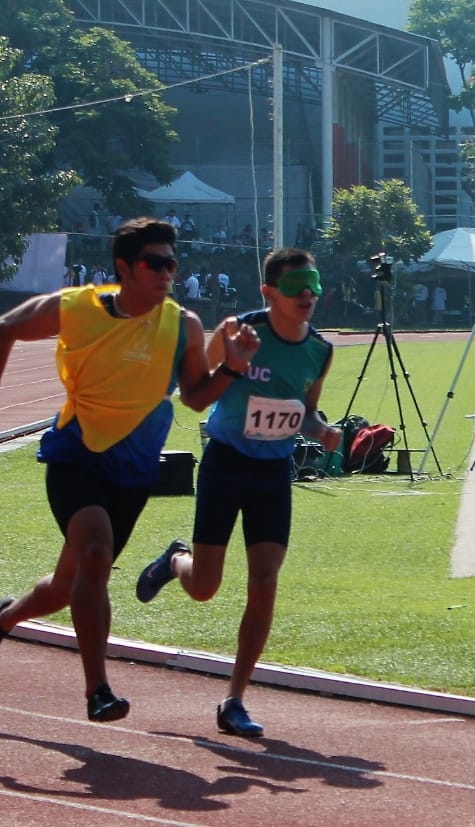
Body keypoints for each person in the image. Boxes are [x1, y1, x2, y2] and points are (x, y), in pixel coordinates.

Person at [0, 217, 260, 723]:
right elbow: (5, 327)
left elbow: (194, 398)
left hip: (133, 472)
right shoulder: (78, 308)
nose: (167, 272)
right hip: (76, 455)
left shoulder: (182, 324)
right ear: (124, 267)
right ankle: (97, 689)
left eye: (172, 263)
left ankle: (5, 619)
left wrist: (231, 366)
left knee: (67, 584)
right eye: (154, 263)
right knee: (96, 554)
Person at [133, 247, 340, 737]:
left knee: (264, 584)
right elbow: (195, 386)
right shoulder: (237, 330)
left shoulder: (321, 350)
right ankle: (175, 561)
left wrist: (322, 430)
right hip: (226, 464)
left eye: (313, 285)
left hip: (273, 472)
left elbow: (306, 410)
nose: (308, 295)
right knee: (205, 587)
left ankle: (235, 699)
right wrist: (229, 366)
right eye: (296, 287)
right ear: (269, 293)